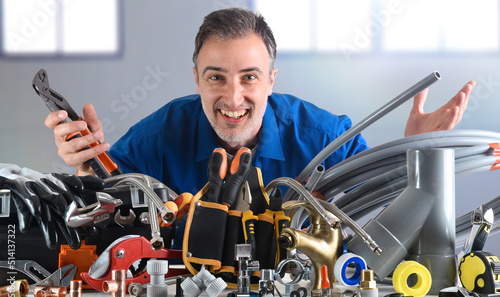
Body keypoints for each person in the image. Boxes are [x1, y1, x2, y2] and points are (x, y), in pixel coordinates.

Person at [45, 7, 475, 197]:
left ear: (271, 80)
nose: (233, 98)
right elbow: (108, 193)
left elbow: (377, 201)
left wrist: (412, 155)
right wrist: (85, 161)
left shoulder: (325, 137)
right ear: (196, 79)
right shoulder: (160, 135)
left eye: (249, 77)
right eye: (216, 77)